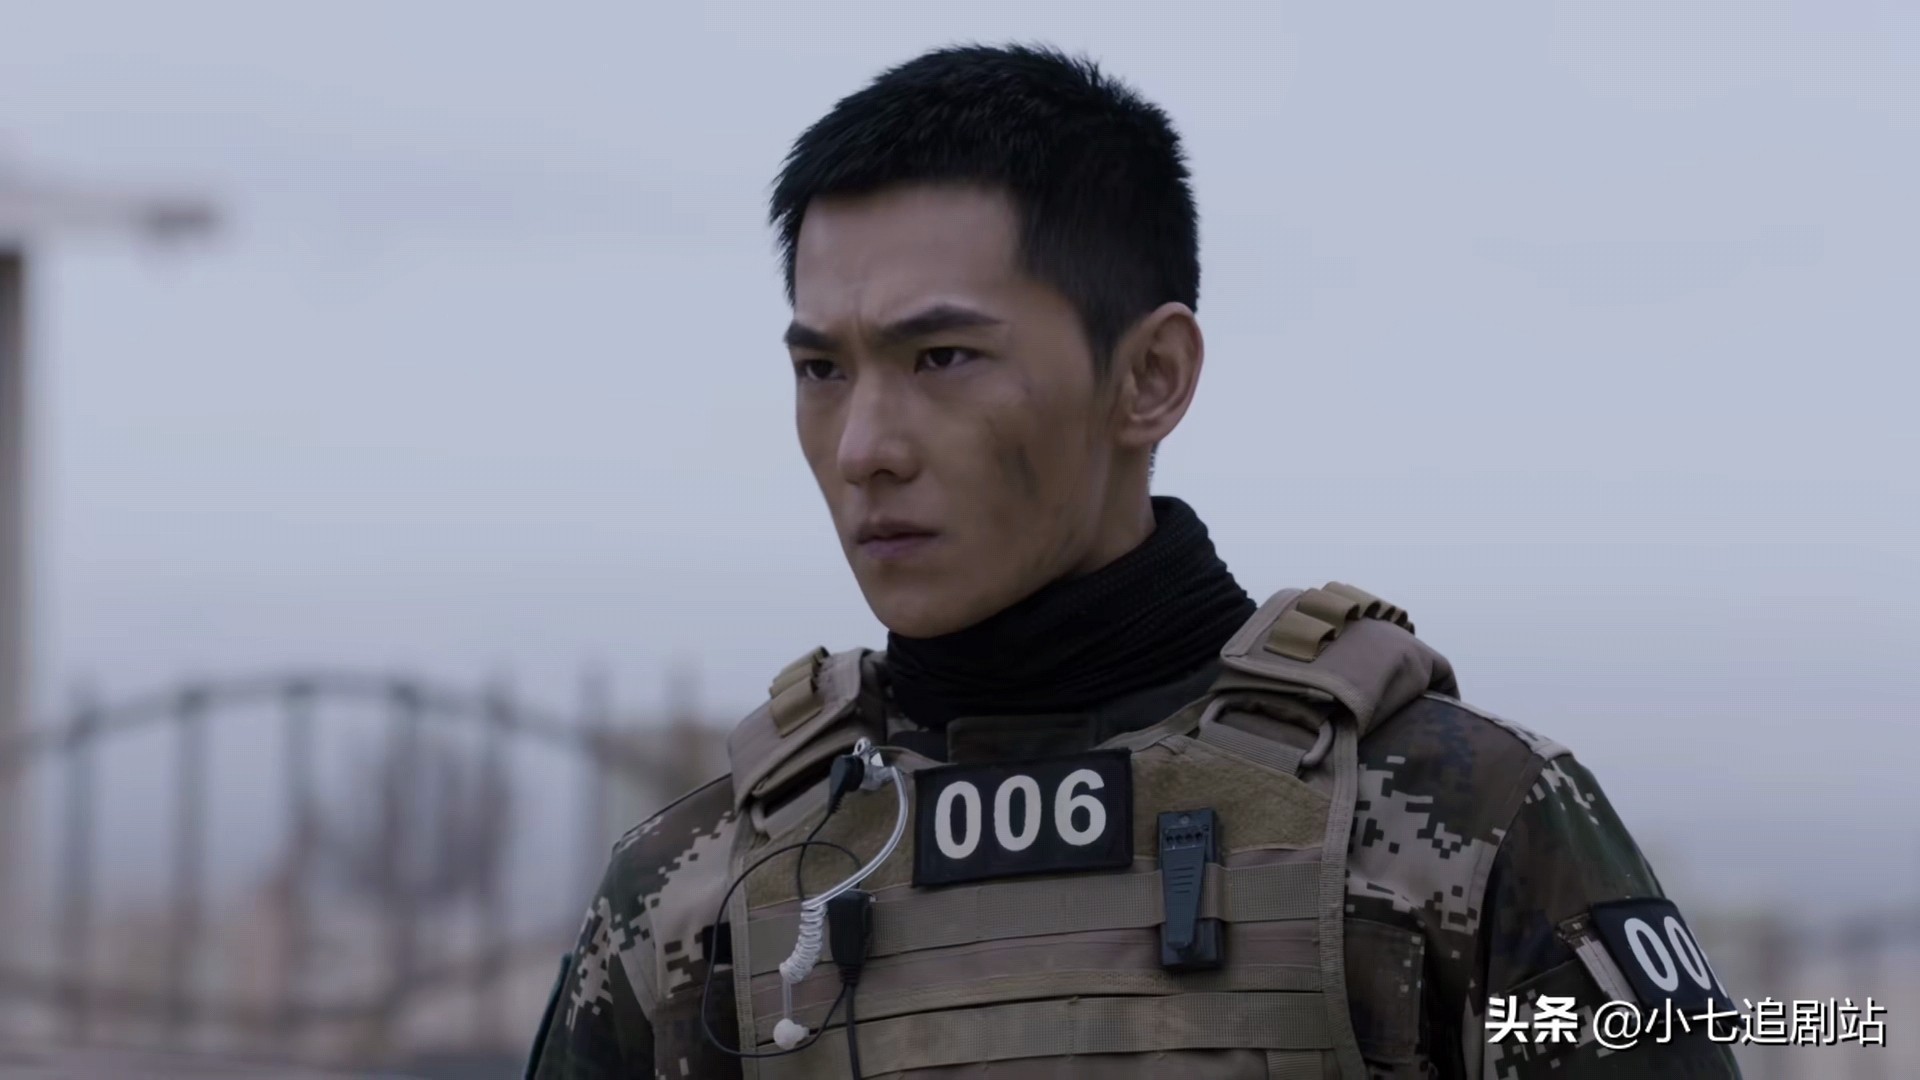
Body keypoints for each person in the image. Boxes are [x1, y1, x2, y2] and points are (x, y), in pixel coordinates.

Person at [528, 44, 1742, 1080]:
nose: (863, 449)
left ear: (1150, 378)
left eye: (941, 359)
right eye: (821, 370)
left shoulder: (1463, 823)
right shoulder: (697, 893)